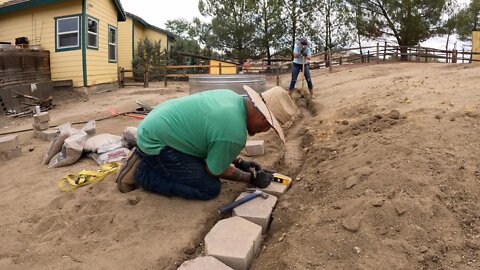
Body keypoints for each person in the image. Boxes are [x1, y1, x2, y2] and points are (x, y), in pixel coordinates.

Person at [115, 86, 286, 200]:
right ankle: (142, 173)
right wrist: (251, 178)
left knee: (201, 163)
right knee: (209, 188)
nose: (265, 131)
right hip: (156, 142)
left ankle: (146, 156)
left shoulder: (232, 97)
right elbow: (214, 170)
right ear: (264, 118)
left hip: (158, 125)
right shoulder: (234, 132)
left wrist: (240, 162)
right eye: (269, 127)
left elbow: (210, 139)